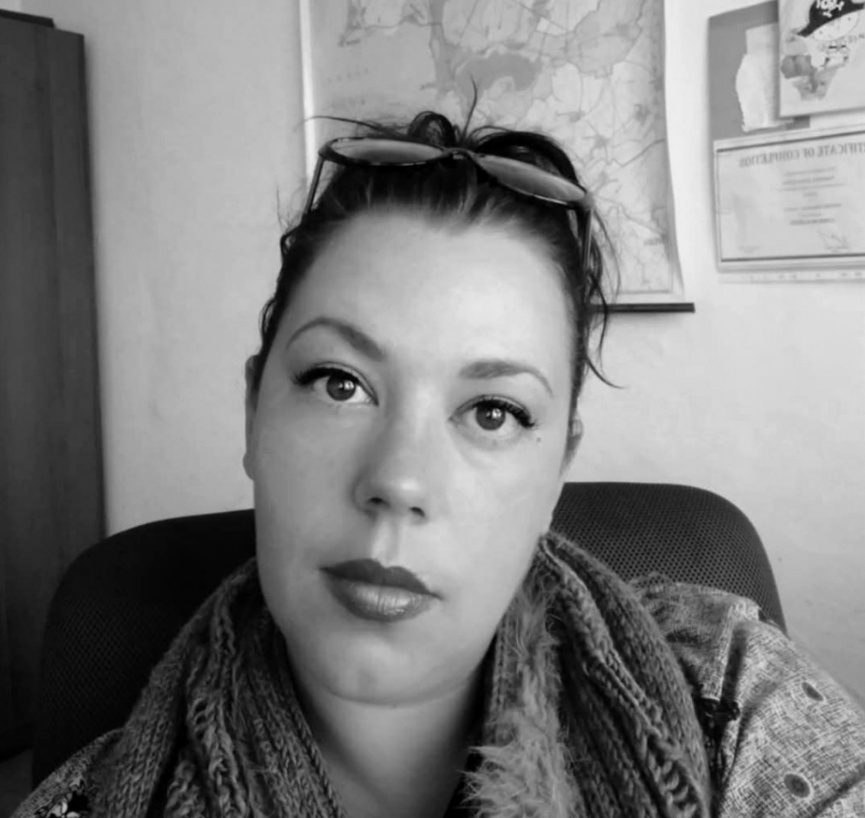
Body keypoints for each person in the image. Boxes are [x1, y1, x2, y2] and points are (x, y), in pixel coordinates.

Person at [13, 111, 865, 818]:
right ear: (253, 415)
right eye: (339, 383)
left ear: (556, 471)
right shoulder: (92, 802)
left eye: (492, 411)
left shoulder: (730, 696)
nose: (399, 481)